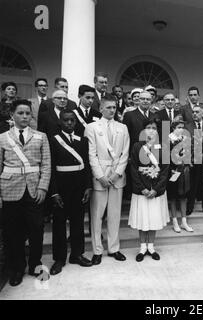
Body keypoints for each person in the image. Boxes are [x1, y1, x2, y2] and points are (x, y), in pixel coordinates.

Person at [0, 99, 51, 286]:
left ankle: (35, 264)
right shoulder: (2, 138)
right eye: (20, 113)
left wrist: (43, 187)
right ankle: (17, 268)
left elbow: (46, 165)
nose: (24, 116)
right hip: (10, 191)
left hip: (34, 190)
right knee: (14, 232)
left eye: (27, 113)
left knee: (37, 229)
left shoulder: (41, 136)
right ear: (12, 115)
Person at [85, 95, 130, 265]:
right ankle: (97, 250)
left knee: (114, 214)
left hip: (117, 175)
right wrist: (100, 176)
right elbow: (91, 154)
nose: (112, 110)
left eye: (114, 107)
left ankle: (114, 248)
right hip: (100, 175)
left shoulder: (123, 127)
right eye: (109, 107)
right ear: (101, 108)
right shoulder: (92, 127)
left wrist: (117, 173)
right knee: (97, 216)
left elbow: (125, 153)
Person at [49, 109, 93, 275]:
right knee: (59, 224)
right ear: (60, 122)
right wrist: (53, 192)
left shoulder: (82, 140)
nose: (69, 123)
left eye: (72, 120)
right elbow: (50, 167)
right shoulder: (53, 140)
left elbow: (86, 165)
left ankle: (77, 254)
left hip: (78, 187)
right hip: (60, 188)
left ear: (76, 122)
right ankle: (59, 258)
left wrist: (88, 187)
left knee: (78, 222)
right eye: (66, 120)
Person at [129, 119, 170, 261]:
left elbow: (165, 171)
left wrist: (156, 189)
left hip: (156, 190)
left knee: (153, 218)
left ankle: (151, 246)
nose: (151, 130)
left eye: (154, 128)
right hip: (142, 189)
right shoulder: (136, 146)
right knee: (143, 218)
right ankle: (142, 247)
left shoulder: (163, 146)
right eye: (148, 127)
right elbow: (133, 169)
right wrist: (142, 189)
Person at [185, 105, 203, 216]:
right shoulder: (187, 127)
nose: (194, 114)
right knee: (192, 185)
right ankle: (189, 207)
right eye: (193, 112)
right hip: (193, 160)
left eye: (197, 112)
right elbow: (186, 144)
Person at [167, 120, 193, 233]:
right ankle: (174, 222)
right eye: (178, 127)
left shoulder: (186, 139)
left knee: (183, 196)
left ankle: (184, 221)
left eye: (182, 127)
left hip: (184, 171)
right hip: (173, 171)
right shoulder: (168, 139)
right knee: (173, 197)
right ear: (173, 128)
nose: (181, 129)